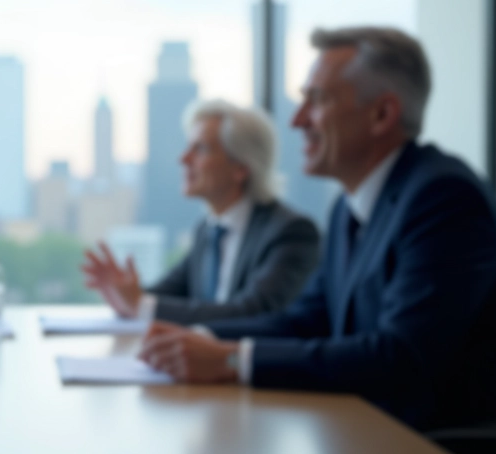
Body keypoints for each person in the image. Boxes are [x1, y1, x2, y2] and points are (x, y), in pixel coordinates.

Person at [138, 26, 496, 430]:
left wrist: (231, 359)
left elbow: (402, 358)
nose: (297, 120)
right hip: (379, 440)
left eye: (316, 100)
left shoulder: (444, 198)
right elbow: (304, 321)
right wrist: (197, 338)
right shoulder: (347, 209)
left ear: (382, 114)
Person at [83, 100, 320, 325]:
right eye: (188, 148)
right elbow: (166, 296)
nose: (184, 159)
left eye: (201, 149)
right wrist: (122, 295)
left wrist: (140, 304)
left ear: (241, 168)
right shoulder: (207, 230)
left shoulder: (290, 232)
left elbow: (252, 311)